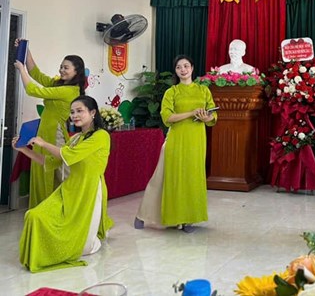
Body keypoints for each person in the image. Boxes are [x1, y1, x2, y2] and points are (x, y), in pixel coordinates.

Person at [15, 95, 113, 273]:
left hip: (88, 191)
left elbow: (69, 155)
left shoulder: (101, 136)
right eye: (72, 112)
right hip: (69, 188)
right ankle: (40, 255)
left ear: (93, 113)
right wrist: (23, 149)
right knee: (34, 215)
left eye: (79, 111)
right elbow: (50, 161)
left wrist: (44, 143)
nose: (74, 115)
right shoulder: (75, 138)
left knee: (84, 248)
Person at [135, 55, 217, 233]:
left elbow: (213, 117)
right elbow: (167, 117)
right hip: (176, 140)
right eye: (179, 67)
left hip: (197, 141)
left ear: (192, 68)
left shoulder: (203, 91)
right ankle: (143, 215)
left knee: (192, 178)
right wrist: (191, 113)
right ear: (176, 71)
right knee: (162, 178)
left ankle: (188, 219)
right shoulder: (171, 92)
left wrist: (206, 117)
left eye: (186, 66)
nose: (183, 70)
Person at [14, 39, 86, 208]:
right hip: (43, 133)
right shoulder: (59, 84)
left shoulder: (70, 90)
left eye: (66, 68)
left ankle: (63, 209)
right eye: (61, 67)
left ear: (77, 71)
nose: (61, 70)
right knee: (42, 171)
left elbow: (34, 90)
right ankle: (42, 210)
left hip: (55, 135)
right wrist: (26, 51)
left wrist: (21, 69)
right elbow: (37, 74)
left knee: (58, 174)